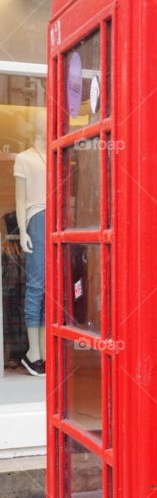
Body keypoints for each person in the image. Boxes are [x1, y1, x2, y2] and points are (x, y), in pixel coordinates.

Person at [13, 118, 46, 377]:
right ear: (36, 126)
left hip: (58, 222)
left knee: (53, 290)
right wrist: (23, 231)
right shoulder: (24, 158)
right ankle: (32, 352)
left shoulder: (56, 154)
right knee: (37, 285)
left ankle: (45, 350)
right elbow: (20, 198)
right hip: (37, 218)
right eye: (45, 120)